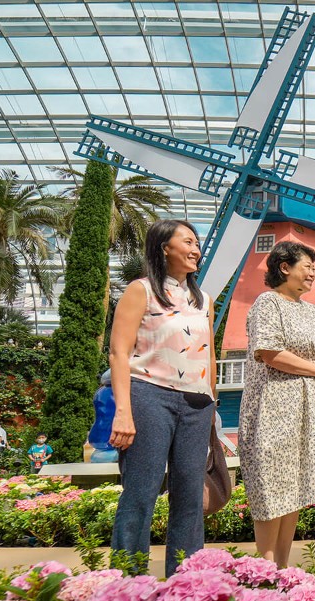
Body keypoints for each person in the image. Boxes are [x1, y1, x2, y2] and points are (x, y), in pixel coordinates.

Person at [108, 219, 216, 576]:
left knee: (189, 498)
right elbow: (118, 354)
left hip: (196, 405)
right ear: (163, 247)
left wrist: (212, 406)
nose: (196, 248)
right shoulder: (141, 290)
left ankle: (186, 583)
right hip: (150, 396)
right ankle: (129, 581)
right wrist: (123, 412)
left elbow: (209, 356)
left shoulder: (204, 300)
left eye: (197, 242)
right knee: (141, 492)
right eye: (187, 241)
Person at [238, 240, 315, 565]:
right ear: (284, 267)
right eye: (308, 266)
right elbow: (270, 353)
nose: (314, 273)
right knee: (272, 490)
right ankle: (266, 573)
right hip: (273, 409)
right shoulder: (267, 303)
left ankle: (283, 571)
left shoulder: (312, 311)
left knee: (295, 491)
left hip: (307, 410)